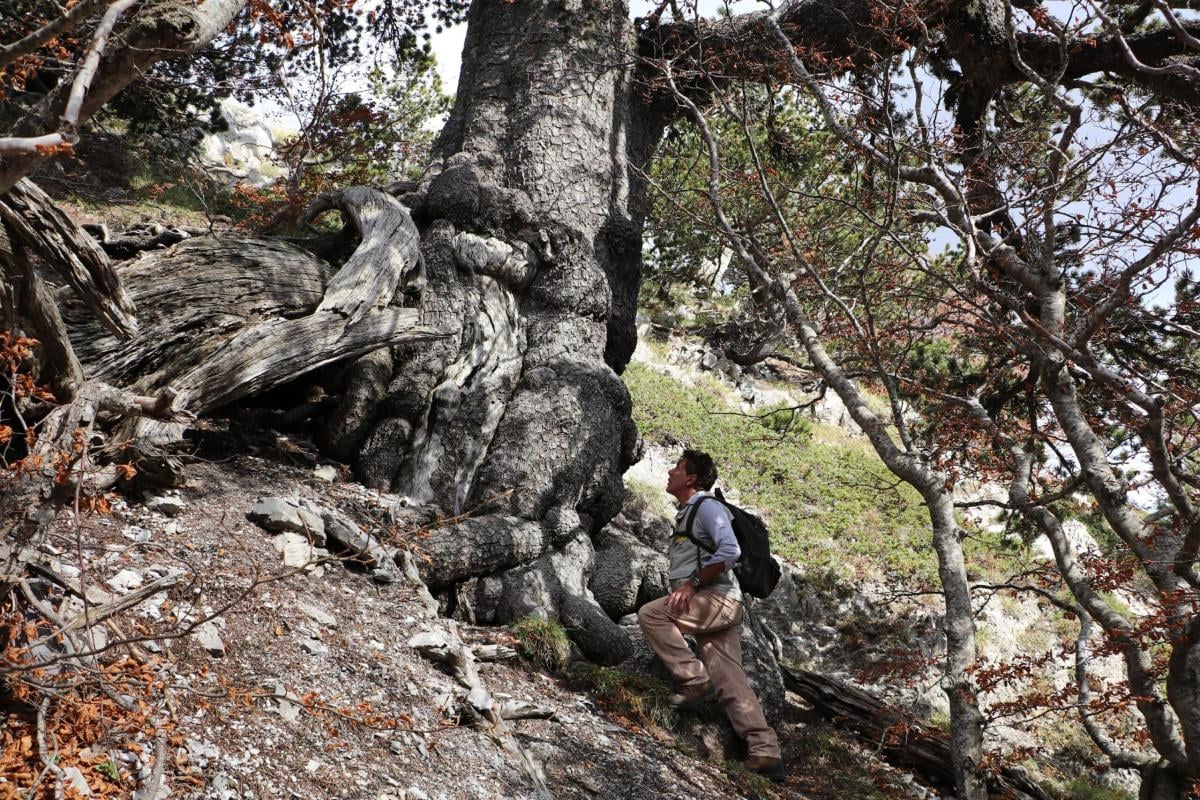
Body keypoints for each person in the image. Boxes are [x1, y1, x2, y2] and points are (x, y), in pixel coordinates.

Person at [637, 449, 785, 782]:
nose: (670, 472)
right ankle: (765, 752)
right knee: (731, 679)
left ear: (690, 478)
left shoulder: (707, 508)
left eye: (677, 467)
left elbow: (730, 551)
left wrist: (690, 584)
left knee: (652, 615)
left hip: (716, 599)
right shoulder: (690, 512)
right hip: (719, 603)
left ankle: (692, 679)